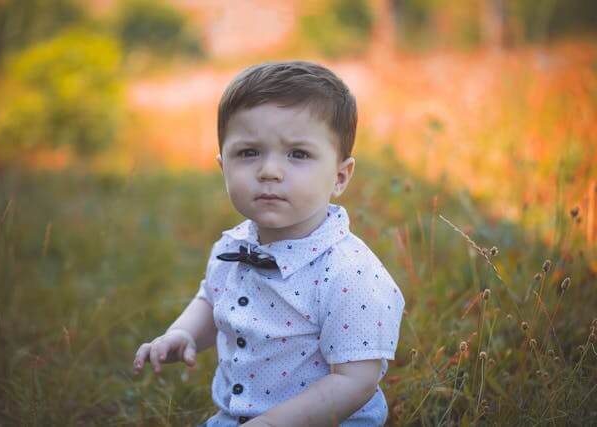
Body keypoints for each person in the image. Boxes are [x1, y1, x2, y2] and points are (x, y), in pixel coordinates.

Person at [133, 61, 405, 426]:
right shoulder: (233, 247)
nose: (269, 171)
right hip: (237, 417)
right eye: (249, 153)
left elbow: (355, 382)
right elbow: (210, 298)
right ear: (223, 166)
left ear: (340, 176)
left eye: (298, 154)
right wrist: (183, 333)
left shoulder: (349, 273)